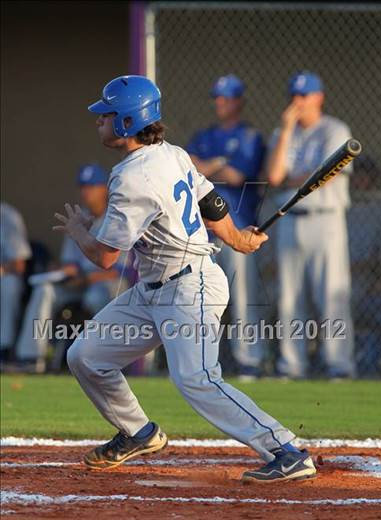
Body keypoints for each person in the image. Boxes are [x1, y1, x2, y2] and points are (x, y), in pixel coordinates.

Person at [54, 74, 316, 483]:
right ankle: (137, 431)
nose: (99, 121)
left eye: (106, 115)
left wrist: (79, 232)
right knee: (85, 355)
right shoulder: (170, 152)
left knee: (197, 379)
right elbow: (210, 198)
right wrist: (236, 238)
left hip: (188, 287)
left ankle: (285, 449)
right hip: (153, 290)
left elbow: (105, 257)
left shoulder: (130, 176)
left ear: (126, 123)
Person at [266, 71, 355, 379]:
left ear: (319, 97)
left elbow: (323, 177)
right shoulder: (283, 133)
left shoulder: (334, 130)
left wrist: (300, 176)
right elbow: (276, 177)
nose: (298, 101)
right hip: (290, 220)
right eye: (294, 95)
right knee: (289, 297)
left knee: (331, 294)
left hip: (325, 220)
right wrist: (288, 128)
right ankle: (292, 365)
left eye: (304, 95)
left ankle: (338, 366)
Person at [187, 74, 266, 378]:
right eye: (217, 97)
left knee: (245, 297)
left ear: (239, 101)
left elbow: (235, 176)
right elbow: (191, 169)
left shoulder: (250, 136)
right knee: (202, 298)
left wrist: (208, 166)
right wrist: (219, 163)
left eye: (227, 98)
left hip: (240, 226)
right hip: (206, 231)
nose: (220, 102)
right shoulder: (204, 135)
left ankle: (251, 361)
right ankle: (202, 360)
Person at [15, 165, 130, 372]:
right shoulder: (79, 218)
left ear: (105, 189)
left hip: (105, 283)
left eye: (92, 186)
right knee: (45, 289)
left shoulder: (117, 217)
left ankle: (104, 360)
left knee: (97, 296)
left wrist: (86, 279)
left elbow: (120, 270)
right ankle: (32, 358)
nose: (87, 192)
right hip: (78, 282)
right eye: (83, 186)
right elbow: (71, 262)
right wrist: (62, 270)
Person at [0, 202, 31, 361]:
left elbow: (19, 265)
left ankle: (3, 349)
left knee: (9, 283)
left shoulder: (7, 216)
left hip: (4, 275)